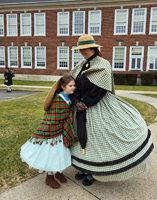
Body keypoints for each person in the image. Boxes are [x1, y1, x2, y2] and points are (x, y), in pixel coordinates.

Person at [69, 34, 154, 186]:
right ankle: (84, 167)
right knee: (81, 137)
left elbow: (99, 91)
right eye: (80, 50)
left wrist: (84, 103)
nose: (82, 52)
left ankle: (94, 171)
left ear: (93, 48)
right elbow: (72, 84)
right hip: (80, 106)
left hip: (97, 105)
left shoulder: (103, 64)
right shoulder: (80, 65)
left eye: (85, 49)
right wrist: (75, 101)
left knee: (98, 139)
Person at [20, 75, 77, 189]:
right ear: (63, 87)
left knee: (61, 152)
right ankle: (49, 176)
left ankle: (58, 171)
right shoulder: (58, 99)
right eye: (70, 86)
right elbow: (54, 116)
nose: (73, 88)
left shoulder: (68, 97)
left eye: (74, 85)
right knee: (52, 153)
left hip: (61, 131)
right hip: (52, 130)